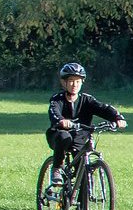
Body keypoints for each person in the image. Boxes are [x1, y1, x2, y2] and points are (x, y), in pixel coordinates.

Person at [46, 62, 126, 196]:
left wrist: (117, 118)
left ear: (82, 82)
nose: (74, 85)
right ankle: (57, 169)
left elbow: (103, 108)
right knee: (64, 136)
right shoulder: (57, 99)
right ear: (64, 82)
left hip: (80, 138)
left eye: (77, 81)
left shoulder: (86, 100)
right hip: (59, 136)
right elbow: (54, 112)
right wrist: (61, 121)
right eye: (71, 81)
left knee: (83, 172)